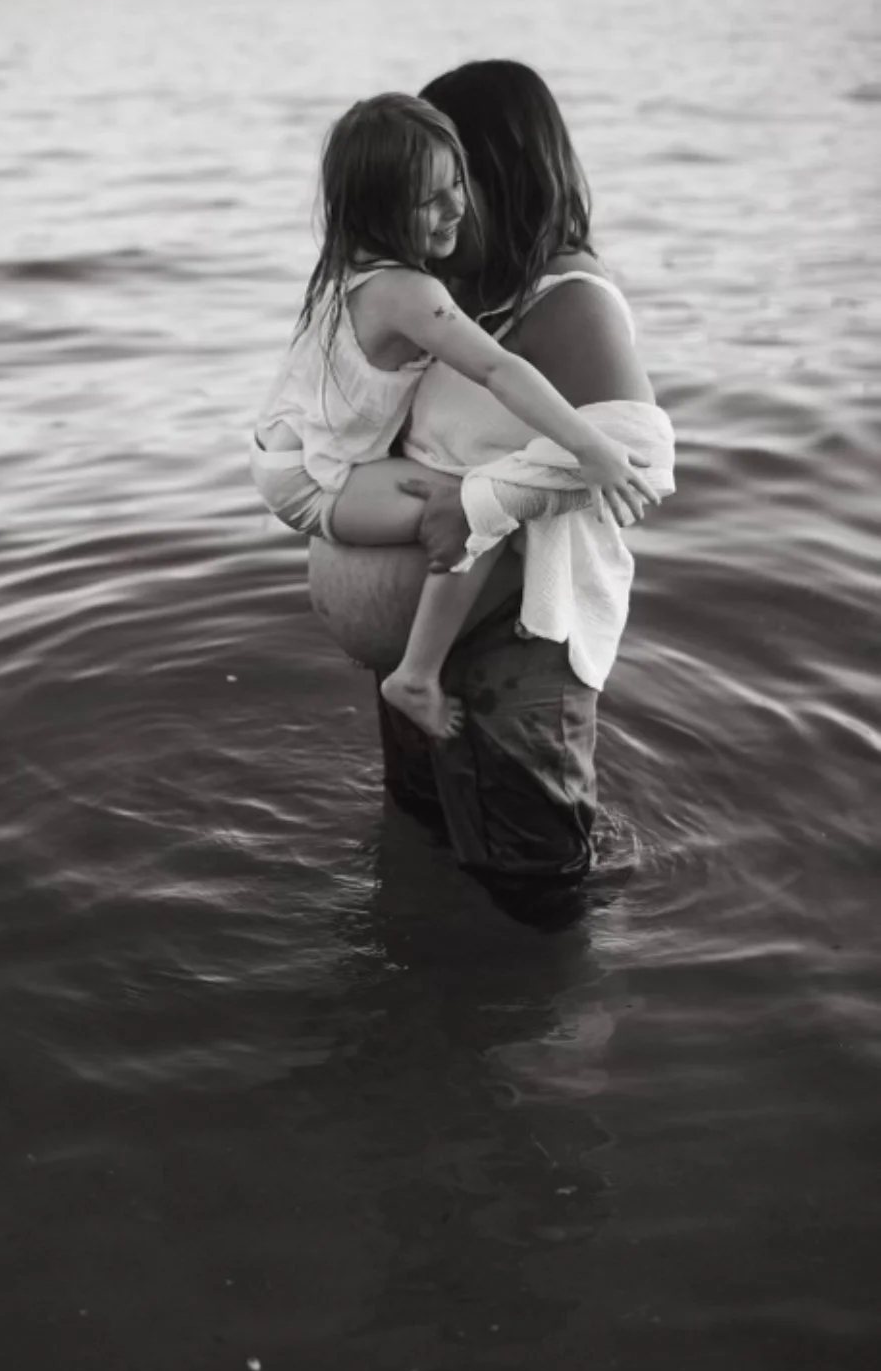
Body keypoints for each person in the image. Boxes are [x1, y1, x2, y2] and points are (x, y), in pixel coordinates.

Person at [305, 61, 669, 898]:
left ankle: (555, 1026)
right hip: (424, 666)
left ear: (499, 170)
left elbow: (638, 457)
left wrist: (474, 501)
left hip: (516, 659)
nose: (434, 202)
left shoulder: (570, 299)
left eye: (448, 180)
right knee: (422, 865)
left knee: (533, 900)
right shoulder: (444, 293)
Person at [249, 93, 659, 742]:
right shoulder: (409, 293)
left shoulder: (347, 266)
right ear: (379, 210)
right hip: (312, 480)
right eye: (429, 200)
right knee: (484, 513)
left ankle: (416, 673)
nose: (456, 209)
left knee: (476, 501)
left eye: (458, 182)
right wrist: (591, 448)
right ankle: (417, 674)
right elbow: (499, 370)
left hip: (290, 456)